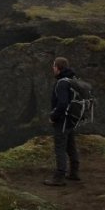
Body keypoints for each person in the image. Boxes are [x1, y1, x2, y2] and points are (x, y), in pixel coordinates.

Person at [43, 56, 80, 186]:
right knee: (71, 146)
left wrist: (53, 116)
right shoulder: (72, 79)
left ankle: (59, 177)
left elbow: (63, 103)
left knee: (60, 148)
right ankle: (74, 172)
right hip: (71, 119)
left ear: (58, 68)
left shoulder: (62, 83)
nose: (52, 68)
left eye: (54, 66)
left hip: (62, 120)